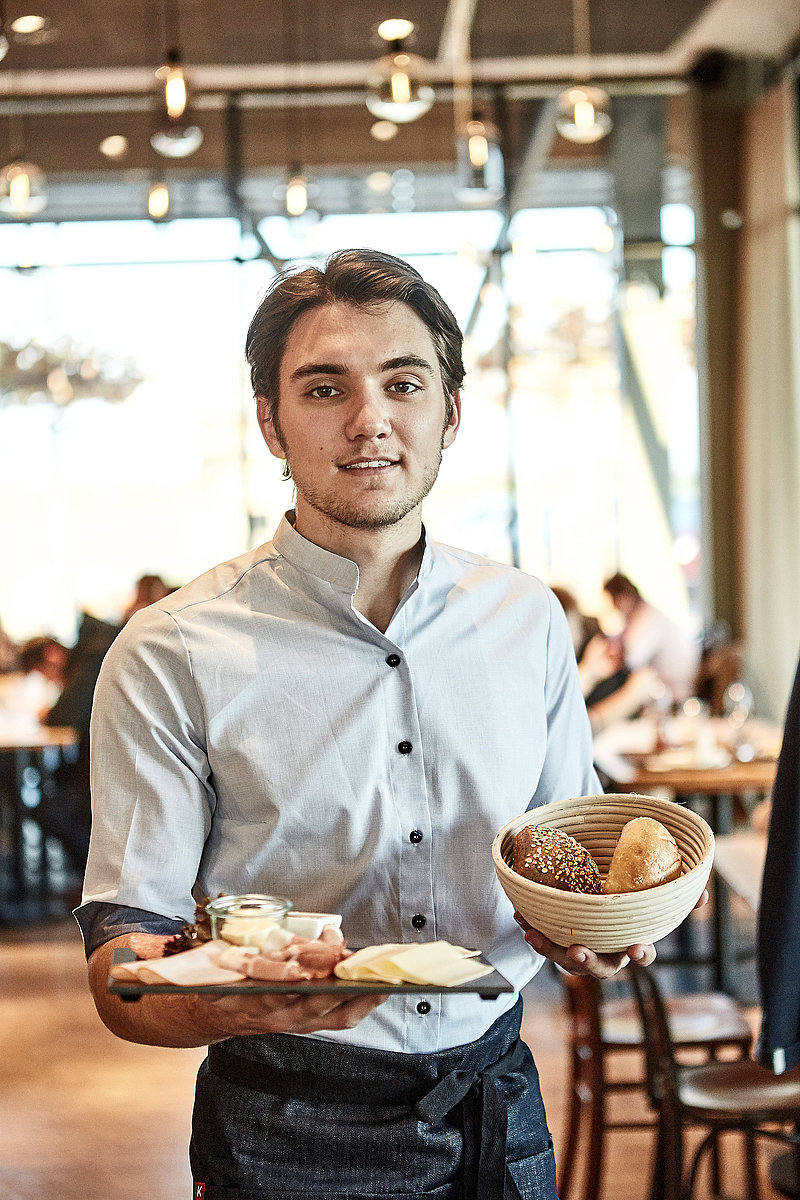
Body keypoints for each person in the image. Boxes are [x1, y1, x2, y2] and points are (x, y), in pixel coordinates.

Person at [78, 249, 657, 1200]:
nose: (369, 420)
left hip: (497, 1109)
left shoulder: (527, 619)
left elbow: (569, 858)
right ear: (270, 421)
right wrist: (249, 1000)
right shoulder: (172, 647)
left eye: (403, 381)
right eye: (323, 388)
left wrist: (591, 926)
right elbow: (124, 968)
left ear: (451, 411)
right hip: (283, 1128)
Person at [603, 571, 699, 706]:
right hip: (669, 686)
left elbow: (632, 660)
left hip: (676, 690)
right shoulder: (640, 614)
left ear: (624, 595)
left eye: (614, 600)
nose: (614, 606)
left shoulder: (646, 617)